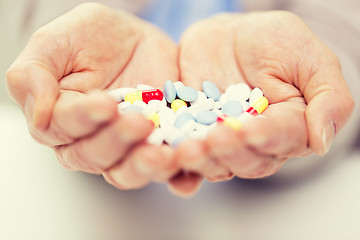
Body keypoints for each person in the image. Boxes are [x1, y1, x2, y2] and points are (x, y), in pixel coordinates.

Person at [5, 0, 359, 198]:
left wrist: (318, 77)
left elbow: (343, 24)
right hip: (95, 197)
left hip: (284, 199)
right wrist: (70, 54)